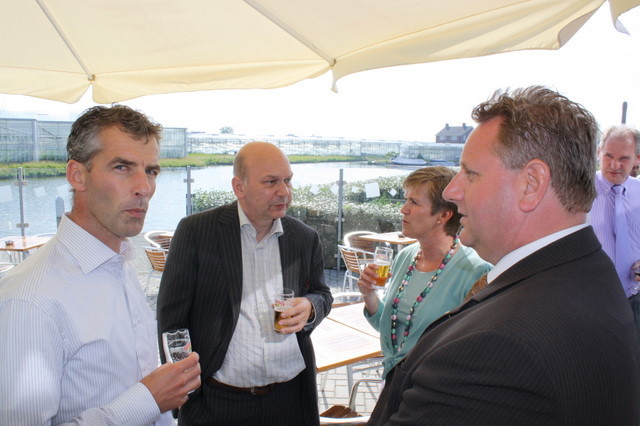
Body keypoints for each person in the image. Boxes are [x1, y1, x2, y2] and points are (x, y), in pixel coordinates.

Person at [368, 86, 640, 425]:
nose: (452, 191)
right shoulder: (591, 273)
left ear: (532, 183)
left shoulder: (496, 347)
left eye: (470, 174)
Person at [0, 105, 201, 425]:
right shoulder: (29, 300)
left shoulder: (120, 263)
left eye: (151, 171)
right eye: (122, 167)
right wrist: (148, 400)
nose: (144, 188)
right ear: (77, 175)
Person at [157, 141, 333, 425]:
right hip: (218, 403)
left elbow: (322, 293)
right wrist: (185, 394)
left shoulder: (304, 237)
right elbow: (172, 322)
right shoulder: (196, 232)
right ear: (239, 187)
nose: (284, 192)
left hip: (290, 400)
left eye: (288, 180)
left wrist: (311, 306)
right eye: (271, 182)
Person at [356, 166, 491, 380]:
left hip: (435, 386)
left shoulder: (476, 271)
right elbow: (389, 326)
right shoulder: (406, 257)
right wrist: (368, 294)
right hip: (393, 381)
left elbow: (474, 352)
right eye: (405, 200)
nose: (403, 209)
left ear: (444, 215)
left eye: (414, 202)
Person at [588, 125, 640, 341]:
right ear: (599, 152)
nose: (615, 165)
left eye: (624, 159)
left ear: (637, 159)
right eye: (608, 156)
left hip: (634, 302)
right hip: (591, 304)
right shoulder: (579, 192)